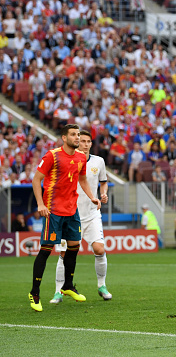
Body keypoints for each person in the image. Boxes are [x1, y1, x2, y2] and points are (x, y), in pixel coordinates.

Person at [29, 124, 101, 312]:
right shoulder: (52, 156)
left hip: (72, 211)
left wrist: (92, 196)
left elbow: (83, 179)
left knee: (74, 247)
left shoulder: (80, 157)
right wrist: (40, 204)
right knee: (46, 251)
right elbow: (36, 179)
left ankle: (67, 285)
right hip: (53, 211)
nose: (77, 138)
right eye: (73, 135)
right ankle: (34, 292)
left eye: (78, 135)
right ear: (64, 137)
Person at [50, 130, 111, 304]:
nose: (84, 143)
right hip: (69, 215)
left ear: (91, 144)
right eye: (81, 140)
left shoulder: (98, 161)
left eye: (87, 141)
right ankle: (58, 291)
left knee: (99, 249)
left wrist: (103, 194)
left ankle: (102, 286)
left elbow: (103, 181)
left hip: (91, 215)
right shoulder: (68, 160)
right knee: (63, 253)